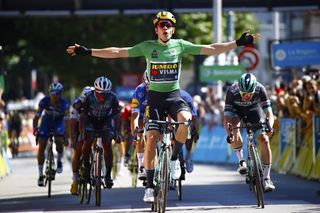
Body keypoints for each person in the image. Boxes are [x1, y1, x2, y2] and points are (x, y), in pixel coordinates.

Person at [67, 10, 260, 202]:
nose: (165, 28)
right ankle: (150, 187)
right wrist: (88, 51)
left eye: (168, 25)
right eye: (161, 25)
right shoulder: (147, 47)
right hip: (155, 99)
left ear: (173, 30)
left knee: (186, 121)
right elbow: (117, 52)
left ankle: (175, 158)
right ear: (156, 30)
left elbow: (210, 48)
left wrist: (238, 43)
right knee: (151, 138)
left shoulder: (181, 45)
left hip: (174, 96)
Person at [223, 73, 275, 192]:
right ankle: (241, 161)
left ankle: (266, 178)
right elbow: (226, 118)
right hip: (237, 111)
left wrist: (269, 127)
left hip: (254, 111)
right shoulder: (232, 91)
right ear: (239, 90)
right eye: (243, 94)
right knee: (234, 129)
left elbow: (269, 113)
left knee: (264, 140)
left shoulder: (260, 89)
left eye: (249, 94)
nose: (246, 96)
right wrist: (229, 132)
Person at [80, 76, 121, 189]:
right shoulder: (88, 97)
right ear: (95, 91)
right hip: (91, 120)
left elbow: (117, 115)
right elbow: (83, 115)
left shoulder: (113, 98)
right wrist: (82, 130)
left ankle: (108, 175)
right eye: (100, 94)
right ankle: (86, 167)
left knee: (107, 143)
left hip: (105, 120)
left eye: (105, 94)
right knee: (87, 140)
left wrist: (118, 131)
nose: (103, 97)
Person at [33, 82, 70, 186]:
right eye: (53, 94)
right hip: (46, 122)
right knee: (42, 145)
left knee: (59, 139)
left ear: (61, 94)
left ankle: (59, 160)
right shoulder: (44, 101)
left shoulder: (65, 103)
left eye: (57, 94)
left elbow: (67, 121)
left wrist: (66, 133)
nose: (55, 96)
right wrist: (35, 128)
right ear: (49, 93)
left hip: (59, 122)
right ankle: (40, 175)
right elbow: (36, 116)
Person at [69, 86, 93, 195]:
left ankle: (97, 169)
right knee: (78, 151)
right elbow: (72, 124)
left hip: (92, 124)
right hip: (79, 126)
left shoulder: (97, 102)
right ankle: (75, 180)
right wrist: (73, 138)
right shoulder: (76, 105)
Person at [130, 71, 149, 181]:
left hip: (155, 114)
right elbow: (134, 115)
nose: (149, 90)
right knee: (140, 133)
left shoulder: (161, 89)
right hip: (141, 116)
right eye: (147, 87)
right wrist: (135, 133)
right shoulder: (138, 91)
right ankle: (141, 164)